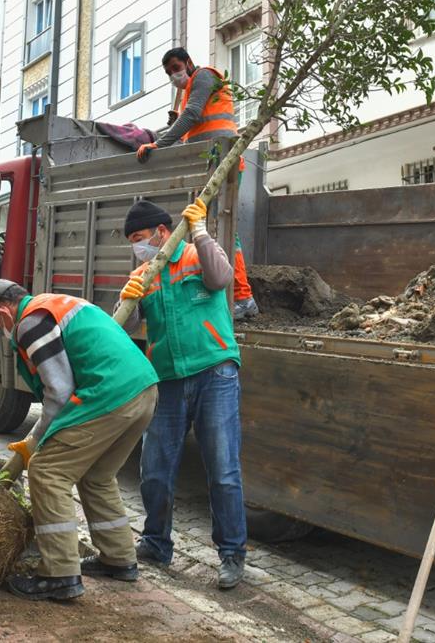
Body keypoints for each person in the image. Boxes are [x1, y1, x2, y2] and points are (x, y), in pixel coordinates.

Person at [0, 279, 159, 601]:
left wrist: (35, 440)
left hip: (111, 395)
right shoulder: (54, 304)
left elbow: (59, 392)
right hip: (143, 390)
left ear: (3, 311)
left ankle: (60, 574)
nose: (2, 332)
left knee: (47, 473)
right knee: (97, 475)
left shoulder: (30, 322)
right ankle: (119, 559)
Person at [119, 198, 247, 589]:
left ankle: (231, 554)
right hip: (168, 379)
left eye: (141, 238)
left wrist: (202, 231)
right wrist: (128, 296)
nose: (137, 247)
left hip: (214, 372)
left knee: (223, 470)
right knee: (155, 469)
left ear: (162, 232)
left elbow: (221, 279)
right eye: (132, 242)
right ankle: (156, 542)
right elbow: (124, 327)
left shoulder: (197, 253)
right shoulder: (146, 272)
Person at [135, 47, 258, 320]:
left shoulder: (203, 76)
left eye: (176, 68)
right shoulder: (191, 89)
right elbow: (192, 125)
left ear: (189, 62)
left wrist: (159, 143)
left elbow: (192, 116)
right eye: (168, 73)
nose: (174, 75)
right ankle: (239, 296)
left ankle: (242, 297)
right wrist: (174, 130)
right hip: (213, 164)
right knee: (217, 230)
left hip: (223, 162)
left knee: (223, 230)